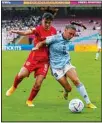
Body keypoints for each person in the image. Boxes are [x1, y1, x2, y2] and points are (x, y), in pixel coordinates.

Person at [33, 25, 97, 109]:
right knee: (69, 88)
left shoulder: (68, 39)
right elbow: (41, 43)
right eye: (70, 33)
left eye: (73, 35)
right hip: (56, 67)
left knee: (76, 80)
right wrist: (37, 47)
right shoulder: (54, 38)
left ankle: (88, 103)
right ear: (65, 30)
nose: (71, 36)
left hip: (66, 63)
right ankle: (66, 91)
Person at [6, 12, 57, 107]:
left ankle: (29, 100)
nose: (47, 24)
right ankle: (13, 87)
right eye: (45, 22)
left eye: (49, 23)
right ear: (42, 20)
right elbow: (26, 33)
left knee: (38, 83)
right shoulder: (37, 29)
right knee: (22, 75)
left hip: (45, 61)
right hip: (34, 57)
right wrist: (16, 31)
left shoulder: (54, 31)